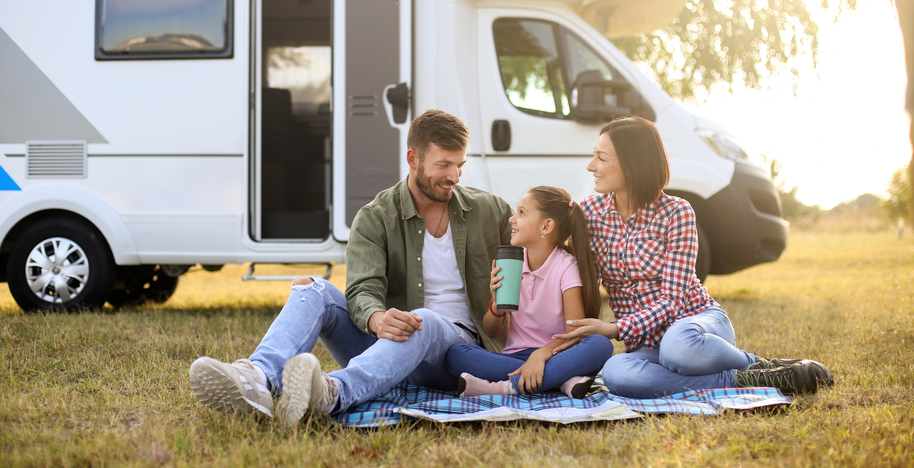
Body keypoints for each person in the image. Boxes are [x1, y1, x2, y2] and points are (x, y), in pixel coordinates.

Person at [188, 109, 513, 427]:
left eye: (460, 165)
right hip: (387, 347)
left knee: (422, 320)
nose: (454, 177)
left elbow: (539, 262)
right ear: (413, 159)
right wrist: (378, 318)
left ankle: (331, 393)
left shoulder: (491, 210)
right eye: (443, 165)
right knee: (313, 287)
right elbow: (362, 289)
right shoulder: (376, 216)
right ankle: (257, 379)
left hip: (455, 354)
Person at [552, 116, 833, 399]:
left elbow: (673, 302)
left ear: (632, 164)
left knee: (679, 348)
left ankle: (757, 364)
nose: (591, 166)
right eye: (594, 157)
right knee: (616, 372)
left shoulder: (677, 212)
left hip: (696, 325)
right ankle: (743, 379)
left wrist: (614, 328)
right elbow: (565, 266)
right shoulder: (589, 213)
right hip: (646, 345)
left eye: (601, 158)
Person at [446, 186, 613, 398]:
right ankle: (559, 380)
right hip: (515, 357)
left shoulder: (566, 267)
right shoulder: (511, 263)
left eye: (522, 213)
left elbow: (575, 333)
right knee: (456, 354)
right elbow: (492, 331)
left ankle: (506, 387)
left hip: (557, 353)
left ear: (546, 226)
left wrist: (541, 356)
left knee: (600, 345)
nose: (512, 219)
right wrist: (496, 306)